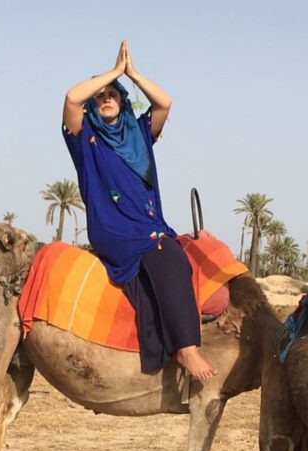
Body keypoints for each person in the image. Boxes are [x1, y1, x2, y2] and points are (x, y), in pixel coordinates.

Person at [62, 40, 216, 380]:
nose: (105, 99)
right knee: (169, 258)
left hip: (150, 225)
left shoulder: (140, 134)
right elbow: (72, 98)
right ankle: (186, 350)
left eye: (112, 94)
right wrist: (114, 73)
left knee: (187, 251)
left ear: (123, 100)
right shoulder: (85, 138)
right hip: (117, 230)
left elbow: (165, 102)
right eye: (99, 96)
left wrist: (132, 74)